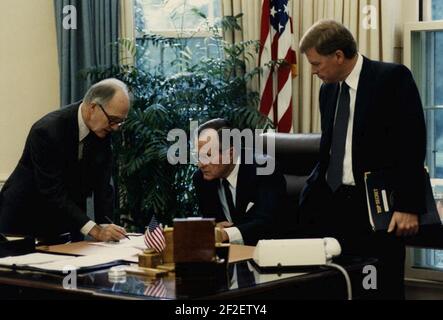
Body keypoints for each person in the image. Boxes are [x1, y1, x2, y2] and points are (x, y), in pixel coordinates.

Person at [297, 20, 427, 299]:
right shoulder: (328, 89)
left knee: (379, 289)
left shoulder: (391, 78)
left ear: (339, 56)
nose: (313, 71)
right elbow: (329, 148)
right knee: (335, 287)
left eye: (317, 64)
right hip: (332, 205)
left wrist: (408, 205)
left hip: (375, 207)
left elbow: (412, 145)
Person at [0, 78, 131, 242]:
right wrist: (95, 230)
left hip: (67, 220)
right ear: (92, 108)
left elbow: (103, 186)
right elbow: (52, 190)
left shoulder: (103, 131)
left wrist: (106, 228)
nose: (115, 127)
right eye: (113, 120)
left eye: (120, 122)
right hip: (25, 218)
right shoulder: (47, 131)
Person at [193, 119, 287, 246]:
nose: (201, 164)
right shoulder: (202, 179)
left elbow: (267, 222)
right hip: (227, 256)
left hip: (267, 251)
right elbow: (212, 222)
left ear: (230, 153)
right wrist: (213, 228)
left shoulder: (264, 169)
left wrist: (225, 234)